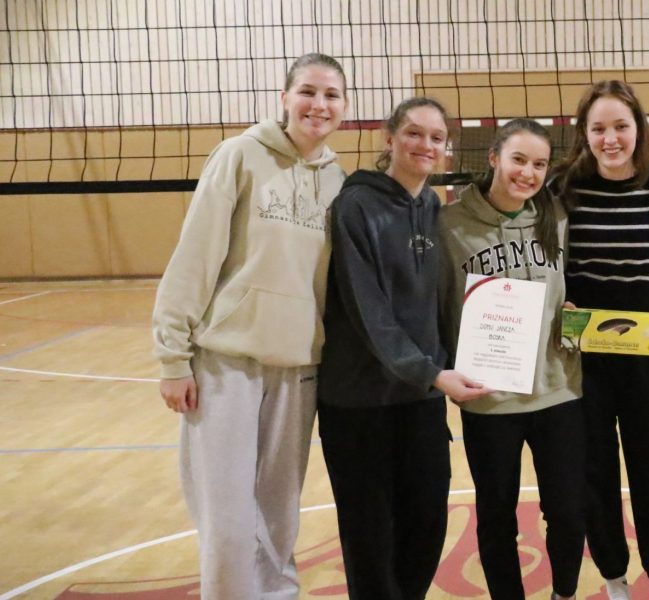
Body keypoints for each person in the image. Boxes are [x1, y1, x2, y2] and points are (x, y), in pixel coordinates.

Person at [151, 53, 348, 599]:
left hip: (299, 369)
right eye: (307, 91)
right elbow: (194, 260)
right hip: (226, 364)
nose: (318, 104)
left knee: (280, 515)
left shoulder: (339, 182)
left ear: (345, 107)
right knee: (230, 521)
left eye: (331, 95)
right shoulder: (239, 156)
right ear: (285, 98)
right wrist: (173, 358)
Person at [316, 96, 490, 599]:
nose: (425, 145)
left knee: (426, 527)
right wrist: (431, 372)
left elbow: (442, 302)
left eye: (437, 138)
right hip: (359, 402)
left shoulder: (433, 208)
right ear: (389, 138)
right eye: (414, 133)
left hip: (420, 400)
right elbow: (367, 308)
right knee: (370, 539)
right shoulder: (355, 205)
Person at [437, 118, 585, 600]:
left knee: (569, 511)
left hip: (558, 389)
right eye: (518, 159)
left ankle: (564, 593)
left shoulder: (555, 216)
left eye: (539, 164)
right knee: (496, 514)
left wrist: (572, 316)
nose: (528, 172)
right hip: (489, 397)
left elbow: (567, 290)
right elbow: (436, 305)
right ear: (494, 158)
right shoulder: (449, 225)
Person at [550, 80, 649, 600]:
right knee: (594, 470)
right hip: (583, 344)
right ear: (584, 134)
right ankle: (613, 579)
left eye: (621, 126)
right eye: (599, 128)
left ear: (639, 129)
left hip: (647, 342)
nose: (611, 138)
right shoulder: (563, 187)